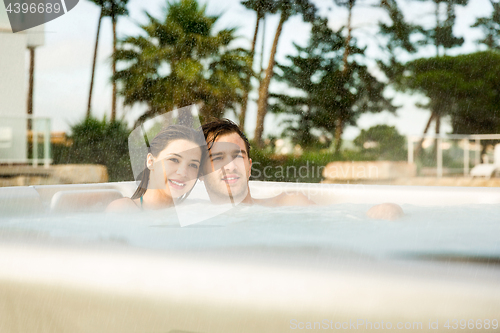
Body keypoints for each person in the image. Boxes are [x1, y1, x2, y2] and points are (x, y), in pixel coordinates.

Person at [200, 118, 404, 220]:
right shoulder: (188, 217)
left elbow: (344, 222)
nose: (231, 166)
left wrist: (384, 211)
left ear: (250, 166)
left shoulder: (288, 203)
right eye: (218, 157)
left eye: (238, 156)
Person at [106, 125, 206, 212]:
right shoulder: (123, 209)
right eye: (174, 160)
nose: (183, 172)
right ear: (151, 161)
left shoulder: (195, 211)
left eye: (193, 165)